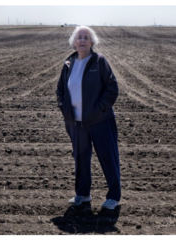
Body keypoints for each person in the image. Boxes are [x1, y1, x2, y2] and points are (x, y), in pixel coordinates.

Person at [55, 25, 121, 210]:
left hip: (100, 121)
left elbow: (112, 88)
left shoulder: (99, 62)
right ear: (74, 42)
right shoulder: (68, 64)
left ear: (92, 42)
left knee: (108, 157)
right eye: (79, 37)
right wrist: (65, 109)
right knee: (81, 158)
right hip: (76, 122)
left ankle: (114, 197)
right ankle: (82, 194)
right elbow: (60, 90)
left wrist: (99, 109)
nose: (82, 40)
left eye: (86, 37)